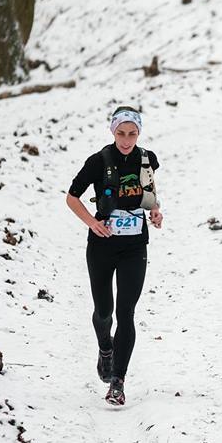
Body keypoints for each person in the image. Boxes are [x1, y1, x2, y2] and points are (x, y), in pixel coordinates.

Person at [65, 105, 163, 405]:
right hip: (102, 246)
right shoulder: (98, 161)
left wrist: (156, 212)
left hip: (135, 245)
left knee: (126, 313)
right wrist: (92, 223)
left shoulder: (147, 159)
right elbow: (72, 197)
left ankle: (117, 382)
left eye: (132, 133)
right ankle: (104, 348)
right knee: (104, 311)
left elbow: (148, 195)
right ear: (112, 131)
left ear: (139, 133)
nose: (126, 139)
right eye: (121, 133)